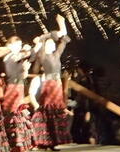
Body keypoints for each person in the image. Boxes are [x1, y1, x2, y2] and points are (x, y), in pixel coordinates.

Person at [31, 15, 72, 151]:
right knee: (48, 112)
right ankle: (45, 141)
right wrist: (44, 38)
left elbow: (64, 40)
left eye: (53, 44)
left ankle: (53, 141)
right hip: (49, 85)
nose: (52, 45)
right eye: (50, 44)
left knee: (56, 113)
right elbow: (42, 40)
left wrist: (62, 23)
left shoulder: (56, 55)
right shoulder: (43, 55)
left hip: (57, 85)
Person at [2, 36, 34, 152]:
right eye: (18, 45)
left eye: (20, 45)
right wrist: (29, 50)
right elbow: (28, 54)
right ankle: (14, 144)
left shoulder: (16, 58)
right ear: (10, 45)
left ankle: (20, 144)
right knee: (14, 115)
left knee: (19, 115)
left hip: (19, 87)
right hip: (12, 88)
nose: (19, 47)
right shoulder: (9, 57)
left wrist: (25, 69)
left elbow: (23, 76)